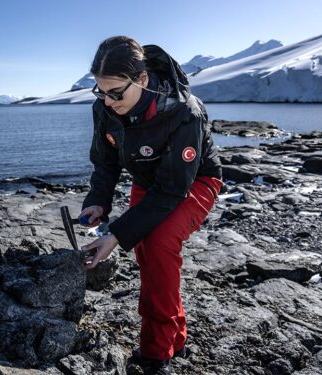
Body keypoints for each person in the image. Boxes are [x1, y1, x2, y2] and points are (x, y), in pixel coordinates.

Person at [79, 36, 223, 374]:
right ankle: (176, 334)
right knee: (145, 251)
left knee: (158, 245)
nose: (109, 101)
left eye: (116, 93)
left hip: (193, 181)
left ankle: (156, 352)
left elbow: (173, 190)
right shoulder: (105, 107)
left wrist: (113, 235)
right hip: (149, 183)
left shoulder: (184, 111)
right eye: (101, 92)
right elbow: (106, 162)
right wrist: (98, 202)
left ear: (142, 80)